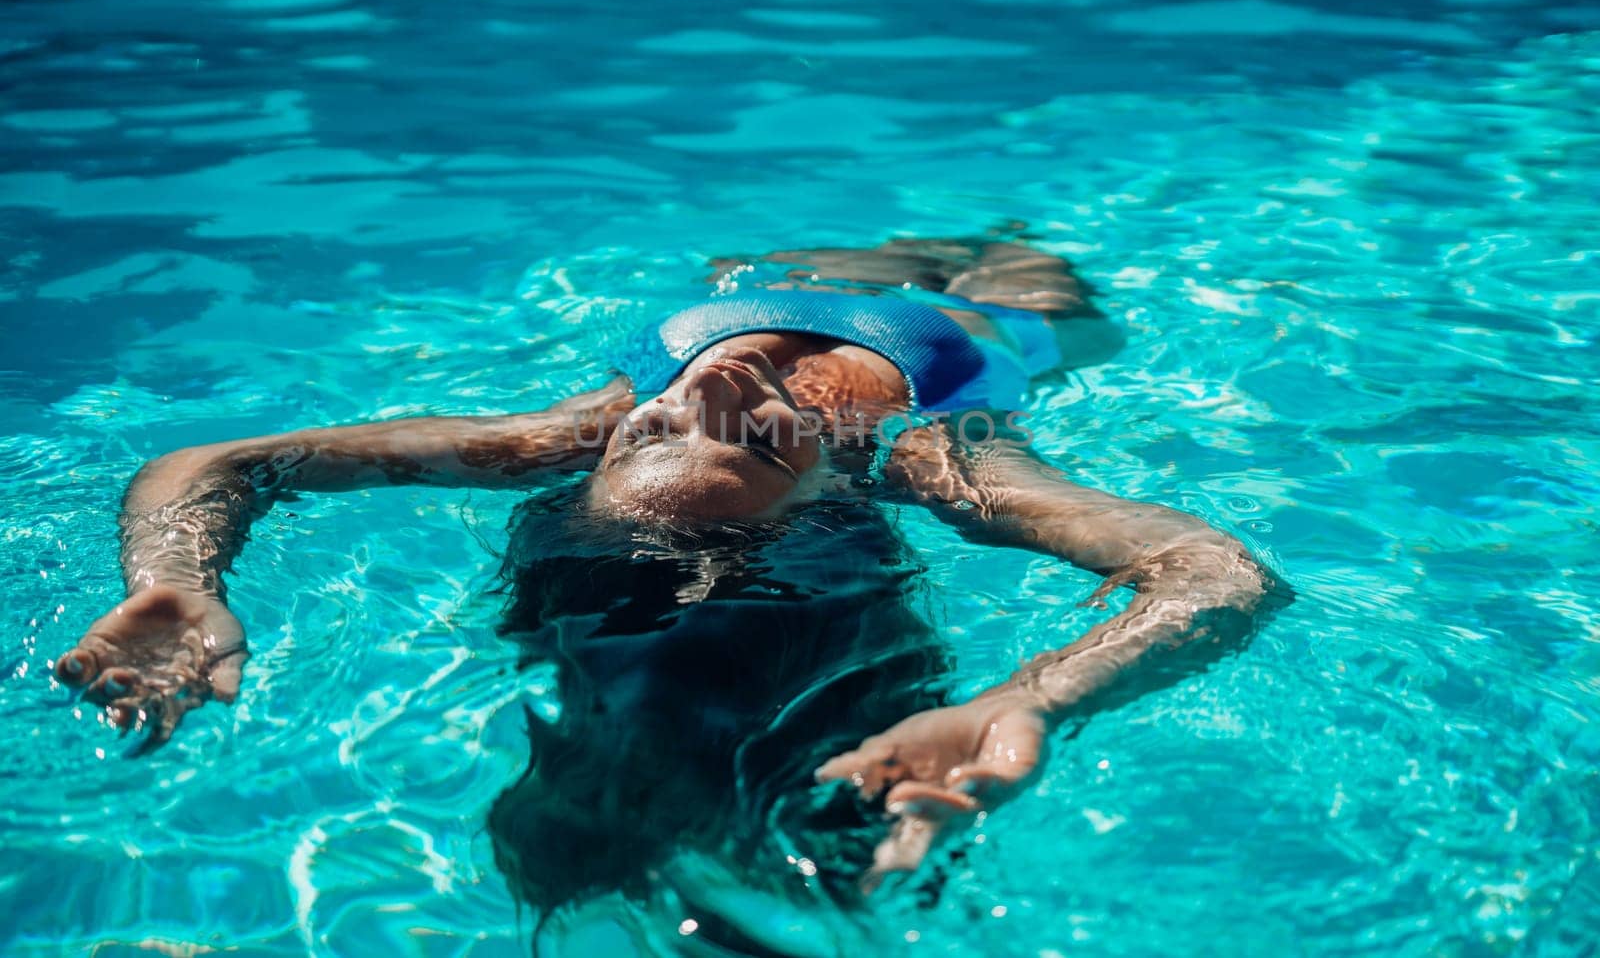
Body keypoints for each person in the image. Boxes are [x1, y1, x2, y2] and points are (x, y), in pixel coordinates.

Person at [55, 232, 1284, 932]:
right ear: (822, 503)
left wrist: (175, 578)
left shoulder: (570, 431)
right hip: (986, 317)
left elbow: (225, 462)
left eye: (657, 433)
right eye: (756, 444)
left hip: (769, 263)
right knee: (1032, 264)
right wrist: (1036, 694)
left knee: (772, 254)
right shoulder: (926, 454)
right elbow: (1217, 570)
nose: (713, 393)